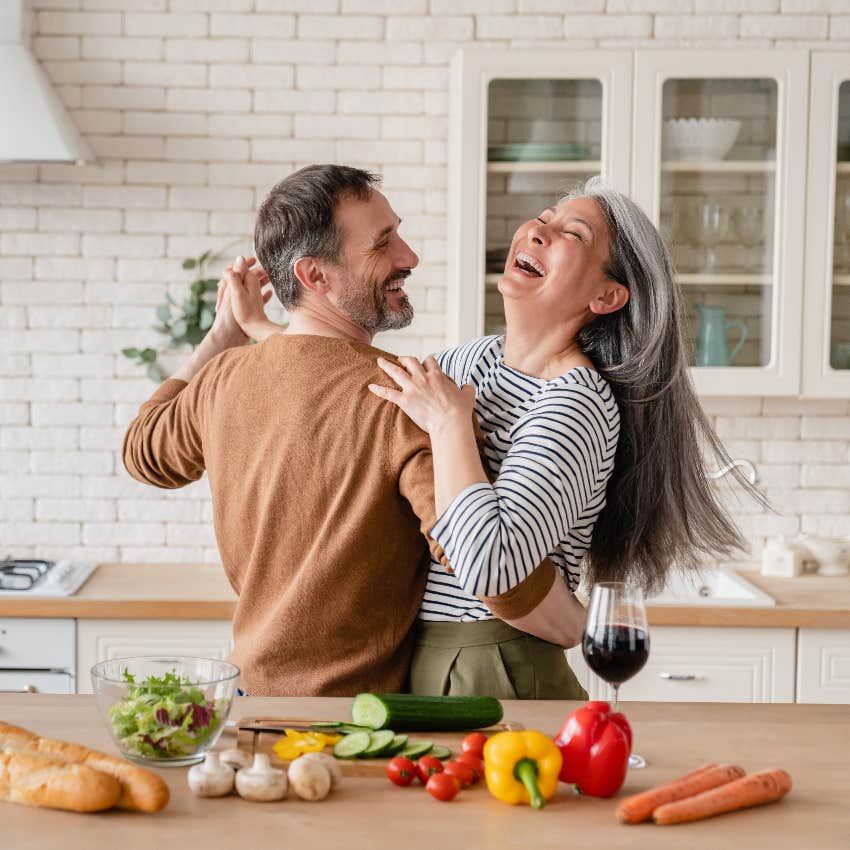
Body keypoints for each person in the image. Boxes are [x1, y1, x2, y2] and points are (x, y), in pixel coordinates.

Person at [230, 176, 759, 699]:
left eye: (572, 235)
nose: (536, 231)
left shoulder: (576, 403)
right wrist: (261, 328)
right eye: (544, 219)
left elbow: (492, 565)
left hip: (498, 662)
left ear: (606, 295)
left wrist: (450, 425)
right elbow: (360, 384)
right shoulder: (472, 360)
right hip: (421, 659)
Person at [122, 164, 554, 697]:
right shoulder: (401, 397)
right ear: (315, 276)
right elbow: (495, 571)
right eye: (383, 244)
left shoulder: (222, 379)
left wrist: (221, 336)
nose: (410, 257)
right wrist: (582, 623)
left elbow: (143, 451)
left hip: (246, 703)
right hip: (350, 725)